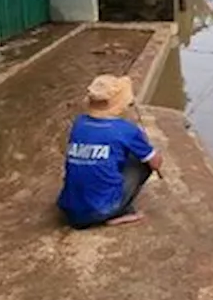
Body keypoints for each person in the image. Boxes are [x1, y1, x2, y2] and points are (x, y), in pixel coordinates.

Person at [57, 75, 163, 228]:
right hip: (99, 212)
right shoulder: (126, 130)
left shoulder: (79, 123)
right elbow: (155, 162)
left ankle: (98, 208)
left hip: (68, 211)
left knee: (112, 157)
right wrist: (153, 151)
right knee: (142, 163)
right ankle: (121, 212)